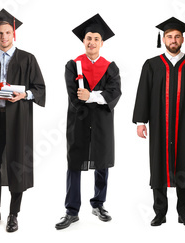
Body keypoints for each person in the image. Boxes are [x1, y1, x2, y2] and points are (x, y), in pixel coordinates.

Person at [0, 9, 47, 233]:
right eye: (0, 33)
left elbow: (40, 88)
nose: (4, 37)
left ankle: (13, 214)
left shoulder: (27, 59)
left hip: (19, 119)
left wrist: (26, 95)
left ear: (14, 34)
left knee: (16, 164)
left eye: (7, 32)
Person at [132, 17, 185, 227]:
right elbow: (143, 94)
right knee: (158, 165)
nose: (173, 40)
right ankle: (160, 213)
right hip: (159, 125)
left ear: (183, 39)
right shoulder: (151, 65)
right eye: (169, 36)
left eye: (177, 36)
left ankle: (183, 212)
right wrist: (141, 121)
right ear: (163, 38)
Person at [56, 13, 120, 230]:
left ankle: (99, 204)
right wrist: (97, 96)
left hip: (102, 124)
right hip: (79, 122)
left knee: (102, 163)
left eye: (96, 38)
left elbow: (115, 93)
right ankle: (71, 211)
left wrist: (92, 96)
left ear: (102, 43)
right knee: (74, 163)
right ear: (83, 41)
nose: (91, 42)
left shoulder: (110, 67)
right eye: (88, 38)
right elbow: (74, 96)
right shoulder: (72, 65)